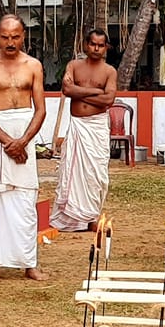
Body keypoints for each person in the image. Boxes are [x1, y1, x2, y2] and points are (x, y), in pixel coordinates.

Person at [0, 15, 46, 282]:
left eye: (15, 36)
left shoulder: (33, 65)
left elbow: (40, 110)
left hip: (24, 135)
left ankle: (29, 263)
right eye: (5, 37)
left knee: (26, 200)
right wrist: (8, 142)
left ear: (23, 35)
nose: (10, 42)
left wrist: (23, 141)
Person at [49, 28, 116, 233]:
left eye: (100, 45)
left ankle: (91, 218)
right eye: (93, 44)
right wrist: (95, 91)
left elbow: (109, 100)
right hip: (78, 126)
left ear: (106, 47)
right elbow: (67, 90)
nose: (96, 48)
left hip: (96, 128)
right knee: (71, 171)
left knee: (95, 174)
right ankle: (70, 220)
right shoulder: (74, 66)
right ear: (86, 45)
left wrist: (79, 93)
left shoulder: (109, 71)